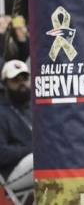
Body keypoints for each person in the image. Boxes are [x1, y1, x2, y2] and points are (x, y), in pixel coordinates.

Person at [0, 60, 33, 199]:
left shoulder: (32, 109)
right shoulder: (2, 113)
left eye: (25, 78)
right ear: (5, 84)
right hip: (11, 173)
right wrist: (31, 148)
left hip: (30, 165)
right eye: (15, 80)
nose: (22, 83)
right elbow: (1, 153)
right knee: (45, 156)